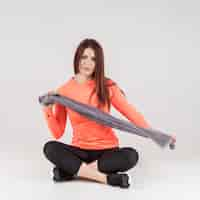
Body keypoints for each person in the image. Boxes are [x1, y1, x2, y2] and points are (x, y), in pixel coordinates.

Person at [42, 38, 152, 188]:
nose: (88, 63)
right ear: (77, 59)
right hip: (79, 151)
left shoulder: (107, 86)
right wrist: (47, 108)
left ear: (98, 63)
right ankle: (107, 179)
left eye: (93, 59)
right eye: (84, 57)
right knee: (50, 148)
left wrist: (153, 133)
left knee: (131, 156)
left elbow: (130, 111)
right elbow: (57, 133)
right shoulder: (64, 91)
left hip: (107, 151)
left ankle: (73, 171)